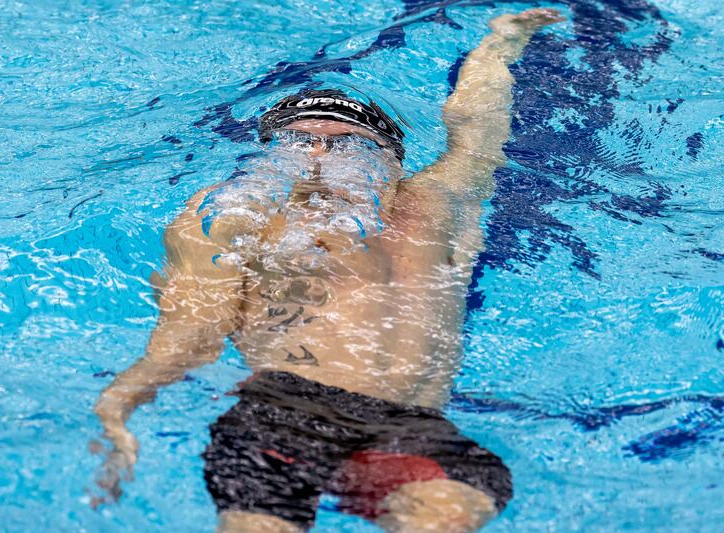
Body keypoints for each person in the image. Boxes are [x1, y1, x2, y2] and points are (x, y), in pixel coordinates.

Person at [93, 8, 563, 533]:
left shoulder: (435, 205)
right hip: (285, 413)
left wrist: (502, 43)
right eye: (297, 141)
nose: (318, 154)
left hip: (414, 426)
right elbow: (194, 323)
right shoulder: (231, 213)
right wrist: (121, 406)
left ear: (393, 160)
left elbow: (477, 130)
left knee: (447, 518)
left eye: (349, 144)